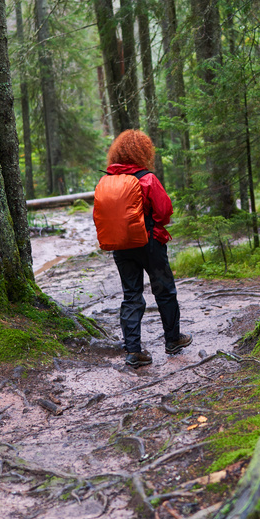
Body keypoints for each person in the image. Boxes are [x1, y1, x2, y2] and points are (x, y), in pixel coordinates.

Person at [103, 130, 192, 369]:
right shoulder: (147, 178)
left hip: (121, 246)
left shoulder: (108, 181)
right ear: (142, 151)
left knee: (131, 296)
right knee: (164, 291)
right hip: (150, 242)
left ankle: (133, 351)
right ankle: (172, 340)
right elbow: (164, 212)